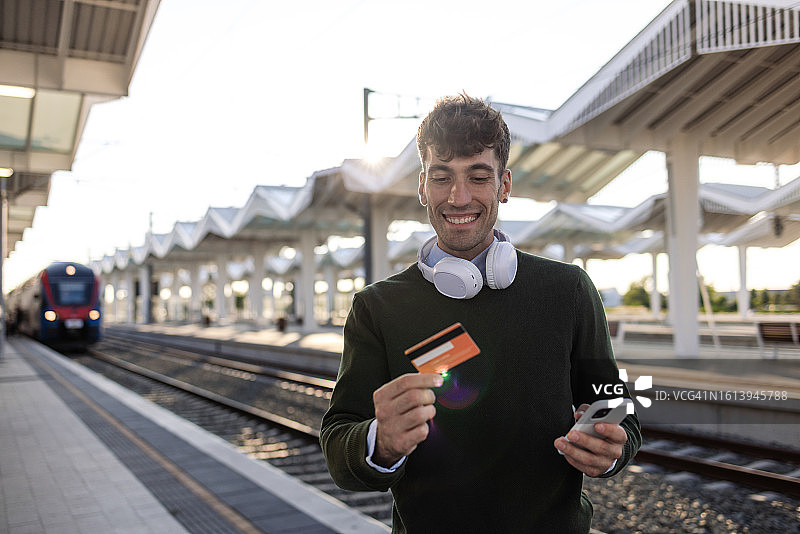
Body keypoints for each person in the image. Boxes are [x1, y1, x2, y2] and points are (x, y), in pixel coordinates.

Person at [321, 94, 641, 533]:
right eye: (442, 177)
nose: (458, 197)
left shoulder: (567, 291)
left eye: (478, 177)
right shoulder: (377, 307)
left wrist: (610, 450)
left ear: (504, 185)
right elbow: (340, 441)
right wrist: (379, 441)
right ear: (421, 187)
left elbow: (615, 404)